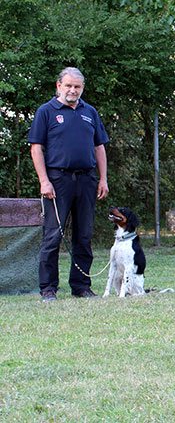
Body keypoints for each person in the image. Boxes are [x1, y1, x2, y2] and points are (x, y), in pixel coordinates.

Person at [28, 67, 110, 302]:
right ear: (58, 86)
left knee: (84, 236)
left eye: (77, 86)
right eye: (68, 86)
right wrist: (44, 181)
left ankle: (81, 286)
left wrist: (102, 178)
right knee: (53, 236)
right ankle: (48, 288)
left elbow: (99, 147)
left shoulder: (90, 112)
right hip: (57, 181)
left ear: (82, 87)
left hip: (87, 179)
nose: (73, 90)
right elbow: (36, 148)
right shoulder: (46, 112)